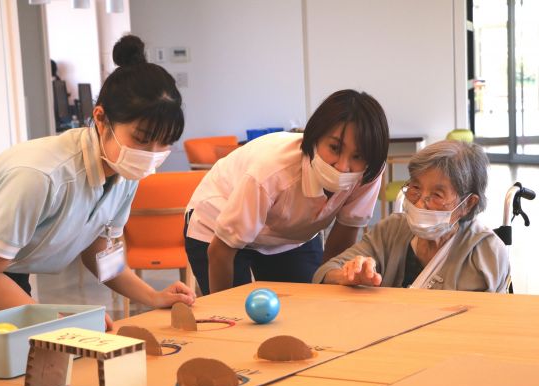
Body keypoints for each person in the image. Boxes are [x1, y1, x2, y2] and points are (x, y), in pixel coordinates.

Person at [0, 35, 195, 326]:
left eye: (165, 144)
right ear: (101, 119)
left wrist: (152, 296)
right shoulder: (41, 176)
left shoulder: (124, 171)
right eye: (142, 139)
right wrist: (58, 323)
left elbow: (98, 252)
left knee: (29, 357)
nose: (151, 154)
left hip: (5, 269)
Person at [184, 89, 389, 295]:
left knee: (307, 305)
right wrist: (224, 311)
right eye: (335, 148)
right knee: (238, 312)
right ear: (315, 137)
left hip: (287, 236)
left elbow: (343, 238)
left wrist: (328, 292)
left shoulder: (368, 173)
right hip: (217, 227)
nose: (343, 167)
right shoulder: (272, 172)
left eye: (357, 156)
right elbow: (221, 252)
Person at [313, 140, 510, 292]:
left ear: (467, 204)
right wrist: (349, 276)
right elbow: (325, 272)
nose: (419, 202)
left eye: (437, 195)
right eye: (415, 187)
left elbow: (490, 321)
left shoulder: (485, 253)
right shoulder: (391, 230)